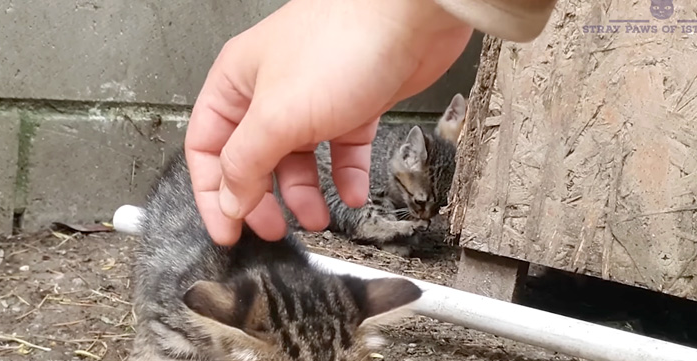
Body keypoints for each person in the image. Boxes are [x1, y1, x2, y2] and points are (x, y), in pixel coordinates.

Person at [184, 0, 558, 246]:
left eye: (433, 208)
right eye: (422, 202)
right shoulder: (386, 163)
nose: (427, 215)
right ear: (408, 154)